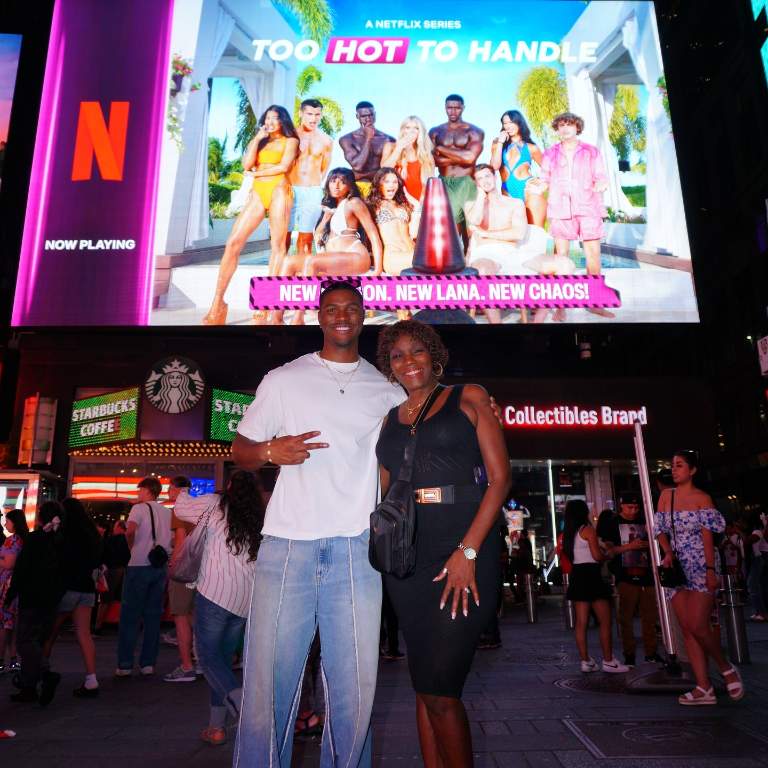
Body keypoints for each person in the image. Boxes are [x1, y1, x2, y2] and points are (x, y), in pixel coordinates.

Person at [231, 279, 406, 767]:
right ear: (320, 315)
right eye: (333, 308)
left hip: (357, 549)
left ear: (364, 315)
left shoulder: (385, 390)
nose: (343, 316)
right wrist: (270, 451)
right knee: (268, 685)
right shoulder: (284, 379)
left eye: (352, 308)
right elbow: (240, 451)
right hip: (288, 546)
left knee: (355, 691)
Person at [375, 320, 511, 768]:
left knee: (441, 688)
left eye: (416, 351)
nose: (407, 361)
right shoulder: (388, 419)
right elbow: (387, 489)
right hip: (410, 560)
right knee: (424, 684)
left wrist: (468, 550)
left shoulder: (469, 397)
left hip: (465, 549)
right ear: (389, 366)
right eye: (397, 355)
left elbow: (499, 480)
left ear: (434, 355)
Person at [173, 470, 264, 746]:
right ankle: (216, 727)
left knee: (209, 659)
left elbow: (180, 506)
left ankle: (243, 707)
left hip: (214, 593)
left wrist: (183, 489)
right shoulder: (259, 517)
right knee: (222, 662)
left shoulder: (215, 503)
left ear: (229, 487)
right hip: (244, 600)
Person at [654, 450, 744, 705]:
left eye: (680, 466)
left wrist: (710, 571)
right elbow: (659, 530)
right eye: (672, 466)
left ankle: (725, 668)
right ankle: (704, 687)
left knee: (698, 624)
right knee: (687, 628)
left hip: (701, 563)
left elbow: (708, 537)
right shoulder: (665, 496)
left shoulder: (702, 498)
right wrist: (668, 552)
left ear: (692, 470)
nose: (674, 470)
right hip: (677, 566)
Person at [203, 105, 299, 325]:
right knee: (233, 242)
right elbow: (246, 164)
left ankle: (266, 305)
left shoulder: (291, 141)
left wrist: (258, 172)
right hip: (258, 191)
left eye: (275, 118)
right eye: (267, 118)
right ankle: (218, 303)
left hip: (279, 190)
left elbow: (283, 167)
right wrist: (257, 138)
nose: (271, 121)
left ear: (283, 121)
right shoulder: (261, 140)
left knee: (277, 246)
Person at [534, 111, 614, 320]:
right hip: (560, 209)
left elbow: (601, 176)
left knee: (593, 256)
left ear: (577, 127)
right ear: (557, 130)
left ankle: (595, 302)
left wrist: (602, 184)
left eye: (569, 124)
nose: (565, 128)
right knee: (561, 258)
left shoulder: (591, 151)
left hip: (588, 207)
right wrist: (536, 187)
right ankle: (561, 305)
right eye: (560, 125)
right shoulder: (550, 153)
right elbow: (544, 178)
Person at [464, 163, 546, 324]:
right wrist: (481, 196)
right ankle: (497, 326)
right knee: (482, 269)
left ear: (495, 177)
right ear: (476, 184)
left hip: (513, 254)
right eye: (479, 179)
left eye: (487, 176)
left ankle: (537, 325)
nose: (485, 181)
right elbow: (475, 220)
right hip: (486, 255)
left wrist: (486, 234)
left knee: (562, 265)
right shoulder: (472, 205)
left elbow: (518, 234)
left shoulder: (514, 203)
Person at [6, 501, 65, 705]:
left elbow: (22, 569)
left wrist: (11, 594)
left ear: (41, 518)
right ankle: (29, 686)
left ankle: (44, 674)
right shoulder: (60, 540)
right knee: (38, 639)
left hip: (32, 596)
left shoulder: (35, 539)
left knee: (25, 641)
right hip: (52, 598)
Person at [42, 498, 103, 698]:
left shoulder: (65, 533)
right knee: (84, 633)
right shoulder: (92, 534)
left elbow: (56, 558)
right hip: (86, 588)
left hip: (66, 588)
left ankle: (40, 674)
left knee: (49, 632)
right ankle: (91, 678)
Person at [562, 499, 629, 675]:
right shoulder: (588, 529)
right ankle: (608, 661)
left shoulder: (570, 533)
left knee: (581, 622)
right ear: (583, 512)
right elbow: (596, 556)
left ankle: (585, 661)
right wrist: (608, 555)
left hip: (577, 575)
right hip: (591, 574)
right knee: (605, 620)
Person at [116, 477, 172, 677]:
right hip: (159, 567)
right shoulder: (167, 512)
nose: (137, 492)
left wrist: (131, 546)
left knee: (130, 616)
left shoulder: (138, 509)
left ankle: (125, 664)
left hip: (139, 564)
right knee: (153, 617)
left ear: (146, 489)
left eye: (139, 489)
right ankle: (148, 663)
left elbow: (130, 530)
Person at [597, 493, 661, 667]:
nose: (633, 511)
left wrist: (649, 545)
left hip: (647, 574)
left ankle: (651, 652)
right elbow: (609, 551)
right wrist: (629, 547)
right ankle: (630, 655)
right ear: (621, 506)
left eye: (636, 508)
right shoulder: (612, 523)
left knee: (650, 616)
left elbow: (658, 541)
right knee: (626, 618)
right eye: (629, 507)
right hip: (625, 575)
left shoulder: (645, 520)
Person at [305, 167, 383, 278]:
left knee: (311, 262)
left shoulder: (353, 203)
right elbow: (318, 236)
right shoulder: (329, 207)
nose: (336, 186)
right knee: (292, 263)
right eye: (333, 181)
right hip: (335, 259)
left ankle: (311, 294)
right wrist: (326, 218)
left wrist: (378, 270)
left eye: (342, 182)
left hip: (356, 257)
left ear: (350, 186)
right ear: (328, 184)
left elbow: (373, 235)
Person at [428, 95, 484, 234]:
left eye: (457, 108)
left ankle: (470, 254)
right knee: (447, 227)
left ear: (463, 108)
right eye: (449, 108)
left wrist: (440, 149)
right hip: (444, 182)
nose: (453, 111)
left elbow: (470, 159)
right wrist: (461, 156)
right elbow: (431, 160)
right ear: (445, 108)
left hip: (467, 182)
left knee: (469, 228)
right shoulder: (435, 132)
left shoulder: (474, 131)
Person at [164, 475, 198, 683]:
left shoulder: (180, 508)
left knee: (181, 616)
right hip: (200, 569)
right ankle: (201, 661)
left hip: (184, 570)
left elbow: (180, 541)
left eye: (170, 488)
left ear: (176, 489)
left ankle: (186, 666)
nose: (168, 492)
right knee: (195, 616)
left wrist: (173, 567)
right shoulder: (197, 506)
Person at [489, 110, 545, 226]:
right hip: (507, 192)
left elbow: (549, 169)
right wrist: (500, 142)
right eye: (505, 123)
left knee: (535, 231)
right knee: (514, 232)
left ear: (519, 122)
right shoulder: (497, 144)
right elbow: (494, 166)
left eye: (511, 122)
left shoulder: (531, 148)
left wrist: (541, 181)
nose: (508, 126)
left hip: (528, 190)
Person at [381, 115, 435, 231]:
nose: (411, 131)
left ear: (420, 132)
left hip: (419, 206)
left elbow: (428, 186)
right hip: (396, 204)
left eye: (416, 128)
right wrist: (399, 148)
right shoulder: (391, 147)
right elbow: (383, 170)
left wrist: (418, 211)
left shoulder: (426, 155)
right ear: (402, 130)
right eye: (407, 127)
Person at [339, 101, 395, 196]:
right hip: (357, 188)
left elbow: (389, 169)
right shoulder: (347, 139)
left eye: (371, 115)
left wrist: (363, 175)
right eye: (364, 116)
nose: (368, 119)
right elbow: (358, 166)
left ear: (375, 115)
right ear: (357, 116)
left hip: (381, 187)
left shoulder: (389, 139)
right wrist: (368, 139)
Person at [368, 167, 414, 276]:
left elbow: (414, 231)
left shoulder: (403, 205)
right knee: (429, 261)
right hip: (393, 257)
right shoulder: (372, 206)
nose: (391, 185)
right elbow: (372, 238)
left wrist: (415, 204)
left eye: (394, 182)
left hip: (413, 252)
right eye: (386, 181)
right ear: (378, 184)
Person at [0, 510, 28, 674]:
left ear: (14, 523)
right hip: (18, 587)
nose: (5, 524)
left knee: (4, 625)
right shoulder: (25, 540)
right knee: (13, 626)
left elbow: (9, 563)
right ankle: (12, 661)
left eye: (7, 521)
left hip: (7, 588)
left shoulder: (12, 541)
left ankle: (2, 662)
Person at [94, 520, 130, 634]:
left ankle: (97, 626)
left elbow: (102, 554)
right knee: (122, 599)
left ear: (120, 527)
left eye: (115, 526)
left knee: (105, 599)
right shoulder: (130, 541)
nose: (113, 529)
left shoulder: (111, 540)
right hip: (125, 570)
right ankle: (121, 624)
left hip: (112, 570)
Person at [746, 513, 768, 620]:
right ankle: (761, 612)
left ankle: (761, 612)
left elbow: (748, 540)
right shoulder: (761, 530)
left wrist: (739, 532)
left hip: (759, 559)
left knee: (752, 585)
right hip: (760, 558)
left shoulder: (757, 532)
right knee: (761, 586)